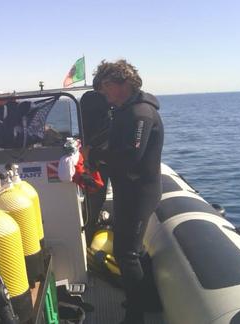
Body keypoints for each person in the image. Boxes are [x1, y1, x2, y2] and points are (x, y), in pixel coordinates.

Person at [90, 60, 164, 324]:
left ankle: (136, 316)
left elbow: (132, 156)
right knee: (135, 250)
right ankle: (150, 299)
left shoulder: (140, 113)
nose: (103, 93)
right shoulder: (123, 110)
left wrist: (99, 156)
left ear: (122, 83)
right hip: (128, 190)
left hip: (139, 192)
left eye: (105, 87)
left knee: (127, 253)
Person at [79, 88, 111, 243]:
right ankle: (90, 232)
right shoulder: (108, 119)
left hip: (94, 162)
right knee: (95, 200)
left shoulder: (88, 104)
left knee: (93, 201)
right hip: (97, 163)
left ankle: (89, 233)